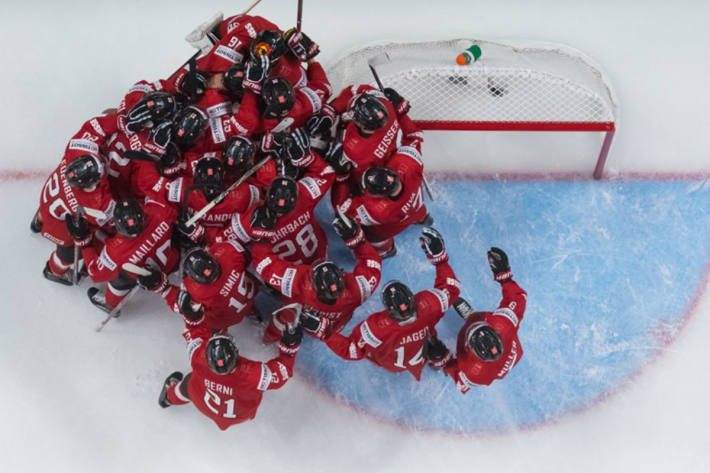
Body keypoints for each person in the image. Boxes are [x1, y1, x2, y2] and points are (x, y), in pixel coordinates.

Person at [324, 228, 460, 380]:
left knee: (375, 351)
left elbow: (352, 350)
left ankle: (437, 358)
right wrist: (440, 260)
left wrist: (324, 332)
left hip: (391, 363)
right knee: (434, 348)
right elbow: (451, 288)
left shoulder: (376, 327)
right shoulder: (429, 304)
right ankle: (439, 360)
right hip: (420, 353)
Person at [253, 213, 382, 342]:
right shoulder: (359, 290)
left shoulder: (300, 283)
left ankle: (269, 338)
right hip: (335, 325)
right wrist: (356, 239)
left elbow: (264, 265)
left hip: (304, 314)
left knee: (285, 317)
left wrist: (262, 235)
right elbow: (373, 262)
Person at [158, 325, 302, 430]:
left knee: (189, 383)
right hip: (241, 415)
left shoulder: (198, 356)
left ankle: (168, 398)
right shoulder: (255, 374)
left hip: (203, 403)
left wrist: (192, 313)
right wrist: (289, 348)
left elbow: (192, 328)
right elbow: (282, 371)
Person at [67, 198, 178, 313]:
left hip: (147, 278)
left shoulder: (115, 252)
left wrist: (84, 241)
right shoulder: (159, 211)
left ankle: (110, 304)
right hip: (173, 261)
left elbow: (95, 273)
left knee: (119, 277)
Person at [443, 248, 527, 393]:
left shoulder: (473, 372)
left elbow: (462, 380)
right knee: (476, 319)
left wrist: (444, 360)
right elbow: (517, 298)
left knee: (452, 369)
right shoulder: (504, 323)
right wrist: (503, 275)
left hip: (491, 369)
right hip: (510, 354)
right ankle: (471, 317)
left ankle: (470, 319)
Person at [336, 139, 431, 258]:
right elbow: (414, 139)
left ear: (380, 196)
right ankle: (423, 219)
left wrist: (341, 177)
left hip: (390, 227)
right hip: (417, 208)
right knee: (417, 211)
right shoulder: (408, 163)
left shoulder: (377, 211)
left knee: (375, 236)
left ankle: (386, 250)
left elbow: (341, 211)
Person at [155, 241, 259, 331]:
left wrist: (164, 289)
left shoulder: (195, 292)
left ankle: (218, 333)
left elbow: (182, 307)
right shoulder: (229, 253)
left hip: (223, 321)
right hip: (251, 296)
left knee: (205, 322)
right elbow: (248, 258)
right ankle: (253, 311)